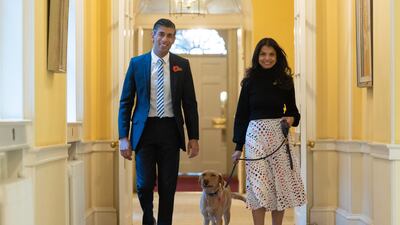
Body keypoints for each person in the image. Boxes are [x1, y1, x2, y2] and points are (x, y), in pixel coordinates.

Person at [118, 18, 199, 225]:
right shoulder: (137, 64)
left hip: (170, 130)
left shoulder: (182, 65)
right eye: (161, 34)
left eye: (170, 35)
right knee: (144, 184)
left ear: (174, 39)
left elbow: (189, 104)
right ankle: (148, 217)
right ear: (153, 35)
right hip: (144, 131)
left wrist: (194, 137)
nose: (165, 39)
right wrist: (123, 137)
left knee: (167, 185)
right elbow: (126, 102)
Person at [231, 37, 306, 225]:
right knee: (258, 186)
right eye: (263, 54)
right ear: (257, 56)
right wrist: (238, 146)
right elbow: (241, 115)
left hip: (278, 136)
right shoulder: (249, 82)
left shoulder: (285, 81)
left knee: (279, 185)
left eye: (271, 54)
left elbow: (294, 112)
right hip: (255, 137)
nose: (267, 58)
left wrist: (291, 119)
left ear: (277, 57)